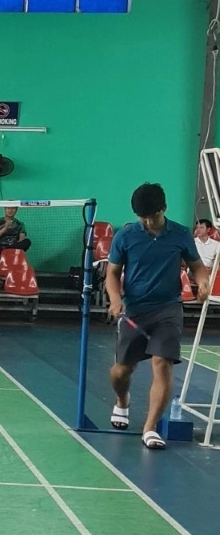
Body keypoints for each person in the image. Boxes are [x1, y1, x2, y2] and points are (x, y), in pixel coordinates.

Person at [106, 183, 209, 449]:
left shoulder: (180, 234)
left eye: (152, 216)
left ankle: (150, 428)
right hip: (134, 310)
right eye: (142, 218)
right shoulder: (125, 236)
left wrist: (203, 282)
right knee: (121, 371)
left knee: (162, 363)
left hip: (168, 309)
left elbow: (197, 266)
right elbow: (112, 273)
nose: (147, 222)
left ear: (163, 209)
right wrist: (115, 299)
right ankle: (122, 399)